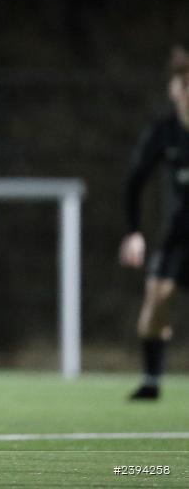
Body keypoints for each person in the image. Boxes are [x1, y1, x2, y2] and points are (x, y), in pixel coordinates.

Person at [119, 45, 189, 401]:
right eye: (184, 84)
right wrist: (133, 232)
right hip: (179, 232)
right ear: (174, 90)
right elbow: (135, 180)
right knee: (156, 302)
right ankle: (151, 380)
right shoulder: (165, 131)